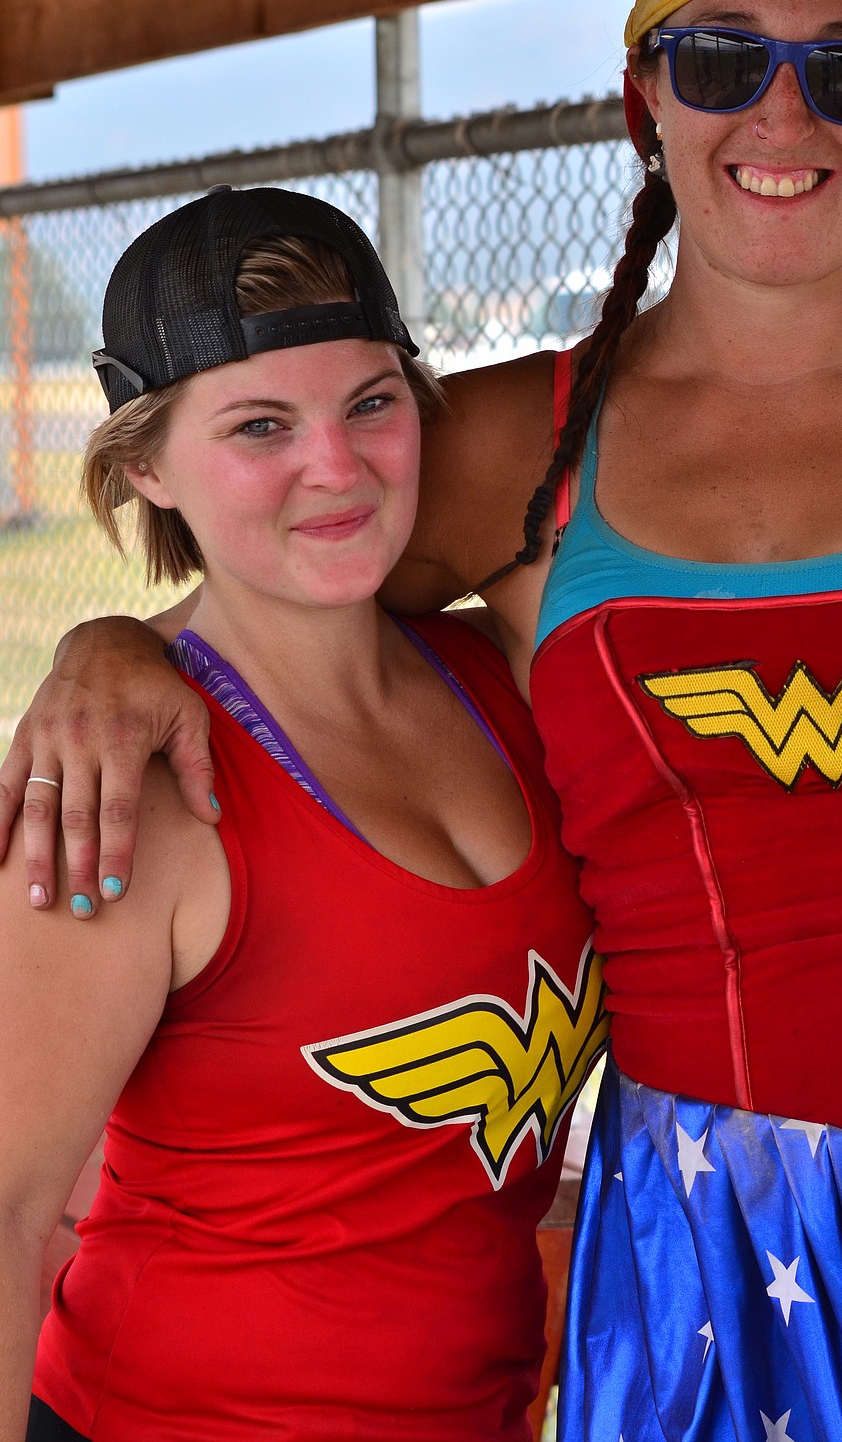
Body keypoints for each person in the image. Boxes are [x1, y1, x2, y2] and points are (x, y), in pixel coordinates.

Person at [6, 0, 842, 1438]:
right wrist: (114, 650)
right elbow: (266, 565)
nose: (779, 118)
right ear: (644, 98)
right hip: (720, 1222)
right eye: (718, 60)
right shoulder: (505, 449)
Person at [0, 187, 606, 1442]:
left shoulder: (514, 673)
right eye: (260, 424)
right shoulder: (132, 786)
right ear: (145, 464)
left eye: (372, 404)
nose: (335, 466)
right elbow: (7, 1209)